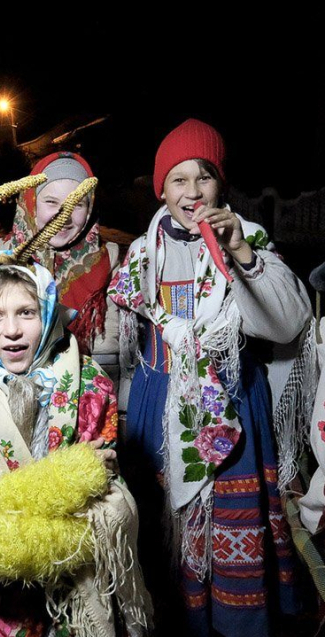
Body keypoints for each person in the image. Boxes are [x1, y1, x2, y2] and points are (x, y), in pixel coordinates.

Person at [108, 119, 311, 636]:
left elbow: (288, 322)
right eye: (178, 179)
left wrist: (241, 254)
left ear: (222, 184)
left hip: (234, 410)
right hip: (159, 409)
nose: (192, 192)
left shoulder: (252, 240)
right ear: (161, 189)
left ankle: (233, 624)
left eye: (204, 177)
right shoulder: (141, 254)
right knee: (167, 540)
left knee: (231, 531)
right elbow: (122, 347)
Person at [0, 253, 149, 636]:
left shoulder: (89, 385)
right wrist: (61, 481)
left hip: (74, 587)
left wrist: (5, 541)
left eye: (26, 312)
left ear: (47, 314)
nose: (11, 330)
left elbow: (103, 488)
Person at [0, 152, 122, 386]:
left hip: (88, 391)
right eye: (51, 202)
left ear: (90, 207)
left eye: (76, 204)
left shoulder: (109, 261)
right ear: (31, 201)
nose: (62, 216)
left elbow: (112, 351)